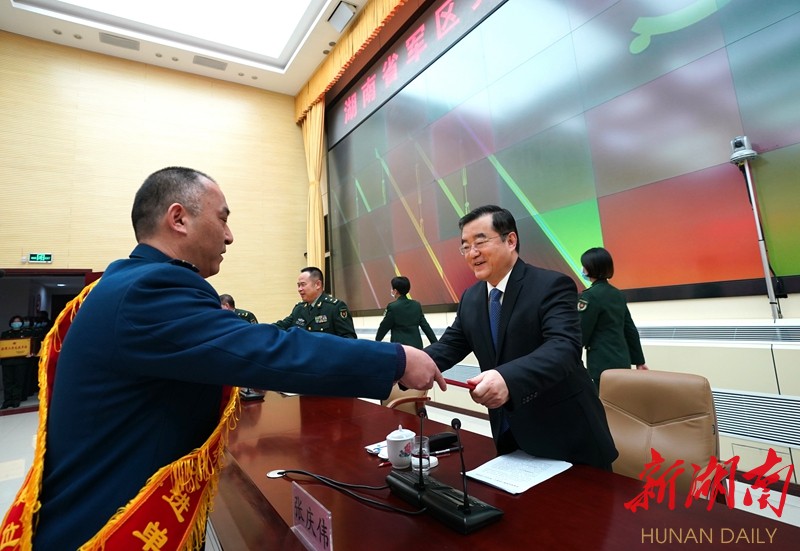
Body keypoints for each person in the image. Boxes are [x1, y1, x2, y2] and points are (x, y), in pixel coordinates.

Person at [2, 167, 445, 550]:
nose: (230, 235)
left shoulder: (124, 284)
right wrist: (395, 360)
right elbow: (268, 350)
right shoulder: (151, 290)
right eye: (223, 218)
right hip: (108, 527)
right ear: (178, 218)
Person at [424, 205, 617, 470]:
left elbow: (563, 347)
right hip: (510, 437)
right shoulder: (471, 297)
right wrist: (402, 363)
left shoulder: (551, 285)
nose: (472, 253)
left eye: (480, 242)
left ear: (511, 240)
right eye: (465, 247)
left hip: (567, 437)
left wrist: (507, 378)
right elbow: (450, 345)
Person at [578, 247, 648, 388]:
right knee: (620, 399)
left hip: (601, 363)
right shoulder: (618, 294)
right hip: (622, 361)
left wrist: (570, 359)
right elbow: (630, 330)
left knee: (602, 400)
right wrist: (639, 361)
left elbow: (581, 332)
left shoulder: (589, 296)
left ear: (589, 268)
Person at [274, 267, 357, 338]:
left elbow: (349, 340)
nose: (299, 289)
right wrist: (265, 329)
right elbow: (281, 326)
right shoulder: (299, 309)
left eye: (303, 284)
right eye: (298, 285)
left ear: (317, 284)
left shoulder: (335, 308)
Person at [375, 276, 437, 349]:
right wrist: (436, 344)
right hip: (417, 347)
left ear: (395, 291)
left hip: (401, 348)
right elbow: (425, 326)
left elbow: (384, 327)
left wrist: (376, 342)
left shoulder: (393, 307)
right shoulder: (416, 305)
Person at [1, 314, 31, 409]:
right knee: (7, 382)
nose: (16, 323)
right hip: (7, 362)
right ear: (11, 323)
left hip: (20, 362)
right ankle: (7, 400)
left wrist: (30, 353)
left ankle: (16, 400)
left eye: (18, 321)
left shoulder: (26, 334)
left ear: (21, 323)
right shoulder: (5, 334)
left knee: (18, 381)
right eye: (14, 321)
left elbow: (29, 346)